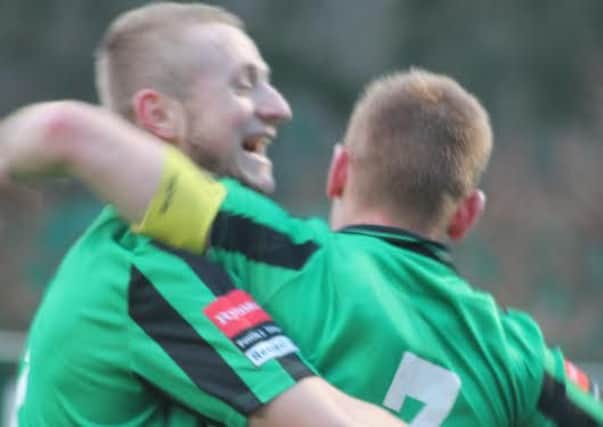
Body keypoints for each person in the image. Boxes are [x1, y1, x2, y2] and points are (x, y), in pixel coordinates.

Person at [2, 69, 602, 426]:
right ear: (468, 215)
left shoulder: (267, 249)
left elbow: (76, 137)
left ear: (338, 171)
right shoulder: (522, 359)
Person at [0, 3, 405, 427]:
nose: (279, 107)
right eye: (244, 85)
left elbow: (319, 399)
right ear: (159, 115)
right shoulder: (144, 266)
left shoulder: (159, 255)